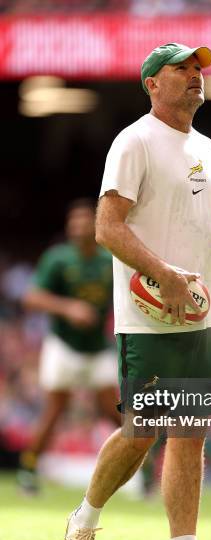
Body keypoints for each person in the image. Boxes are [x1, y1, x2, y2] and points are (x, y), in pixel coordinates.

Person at [60, 43, 211, 540]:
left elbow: (202, 239)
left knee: (191, 432)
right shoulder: (134, 140)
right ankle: (83, 522)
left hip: (201, 316)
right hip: (150, 313)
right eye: (180, 69)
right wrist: (165, 274)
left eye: (197, 69)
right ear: (151, 85)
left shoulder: (207, 147)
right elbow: (107, 228)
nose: (193, 76)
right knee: (143, 432)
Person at [17, 199, 119, 494]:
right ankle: (28, 470)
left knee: (113, 411)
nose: (78, 227)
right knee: (54, 410)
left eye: (85, 221)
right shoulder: (58, 259)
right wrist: (68, 307)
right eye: (74, 222)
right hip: (63, 345)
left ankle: (147, 472)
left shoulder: (108, 261)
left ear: (96, 225)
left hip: (97, 347)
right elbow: (32, 297)